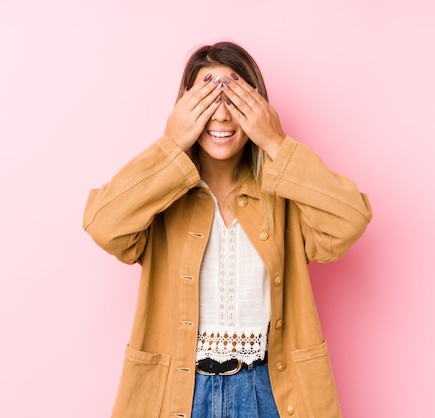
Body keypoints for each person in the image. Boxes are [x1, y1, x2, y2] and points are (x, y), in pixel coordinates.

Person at [83, 41, 372, 418]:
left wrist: (275, 142)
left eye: (235, 98)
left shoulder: (282, 192)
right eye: (206, 98)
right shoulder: (162, 194)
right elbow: (104, 224)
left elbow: (349, 219)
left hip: (270, 390)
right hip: (178, 393)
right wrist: (171, 146)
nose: (221, 115)